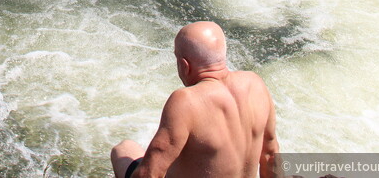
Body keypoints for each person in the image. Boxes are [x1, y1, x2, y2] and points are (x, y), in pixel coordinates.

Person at [110, 21, 279, 178]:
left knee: (123, 149)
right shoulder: (255, 83)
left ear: (185, 65)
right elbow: (271, 155)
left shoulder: (186, 100)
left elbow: (150, 172)